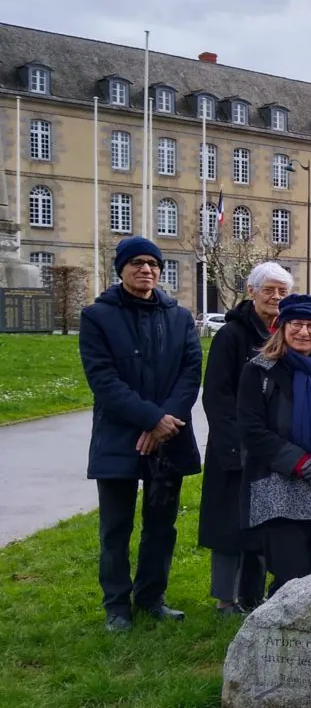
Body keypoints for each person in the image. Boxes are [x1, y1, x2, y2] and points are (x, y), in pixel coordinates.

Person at [79, 236, 203, 632]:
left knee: (161, 525)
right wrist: (150, 419)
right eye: (136, 263)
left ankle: (151, 596)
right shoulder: (97, 316)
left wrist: (165, 423)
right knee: (115, 527)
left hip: (170, 436)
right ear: (122, 269)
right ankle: (117, 606)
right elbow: (104, 380)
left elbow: (189, 374)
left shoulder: (179, 317)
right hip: (119, 436)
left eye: (152, 263)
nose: (145, 269)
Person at [236, 295, 311, 594]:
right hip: (280, 486)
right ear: (282, 327)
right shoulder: (259, 371)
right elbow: (253, 430)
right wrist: (301, 464)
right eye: (296, 324)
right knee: (291, 579)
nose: (304, 332)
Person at [198, 262, 292, 617]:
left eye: (283, 291)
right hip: (236, 447)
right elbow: (217, 396)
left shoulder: (286, 332)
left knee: (262, 525)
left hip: (270, 449)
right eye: (269, 290)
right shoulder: (232, 336)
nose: (276, 297)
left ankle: (252, 597)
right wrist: (235, 446)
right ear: (251, 291)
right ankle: (225, 598)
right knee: (229, 528)